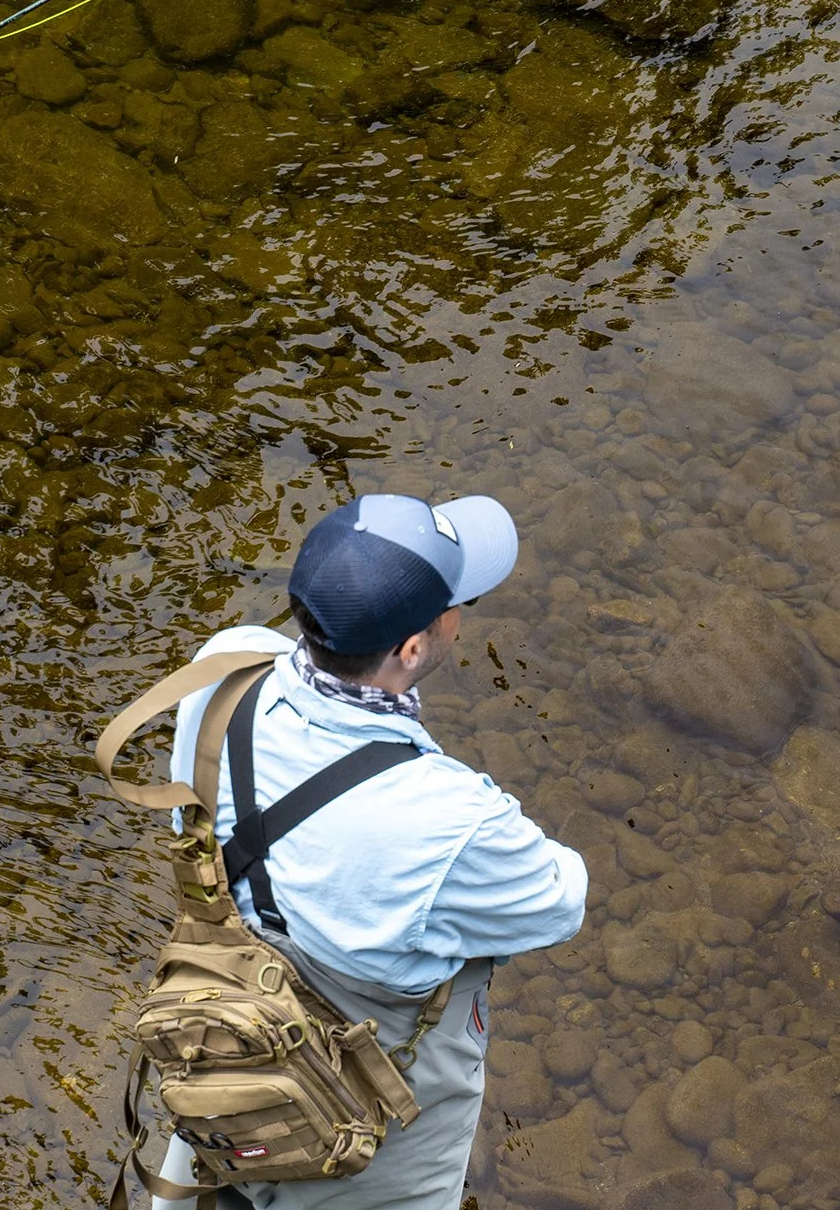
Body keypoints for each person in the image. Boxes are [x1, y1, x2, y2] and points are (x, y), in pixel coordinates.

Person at [151, 492, 588, 1210]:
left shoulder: (223, 667)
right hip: (361, 1123)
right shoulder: (453, 818)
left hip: (222, 1038)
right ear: (412, 648)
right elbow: (560, 900)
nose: (459, 614)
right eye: (457, 602)